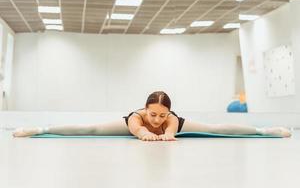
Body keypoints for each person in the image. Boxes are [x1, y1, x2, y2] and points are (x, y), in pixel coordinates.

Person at [13, 91, 292, 141]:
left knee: (218, 127)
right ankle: (40, 129)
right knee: (92, 129)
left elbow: (169, 132)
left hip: (178, 126)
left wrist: (169, 132)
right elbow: (141, 131)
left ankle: (263, 131)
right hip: (133, 127)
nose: (157, 119)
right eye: (153, 114)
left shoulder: (172, 121)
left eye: (162, 115)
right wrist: (146, 132)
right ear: (145, 110)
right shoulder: (137, 118)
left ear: (169, 112)